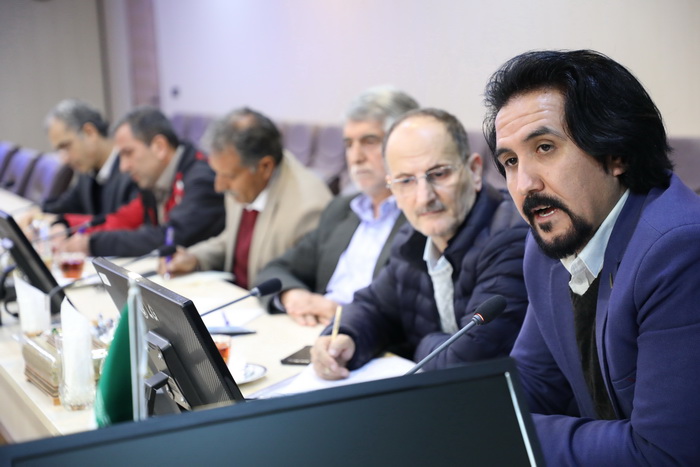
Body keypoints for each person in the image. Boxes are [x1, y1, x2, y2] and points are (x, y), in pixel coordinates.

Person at [483, 49, 700, 464]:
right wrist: (459, 415)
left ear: (616, 153)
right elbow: (535, 382)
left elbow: (664, 454)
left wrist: (499, 429)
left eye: (544, 148)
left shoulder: (679, 249)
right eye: (510, 161)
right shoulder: (549, 244)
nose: (524, 184)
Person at [311, 108, 528, 379]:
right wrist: (345, 337)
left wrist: (418, 343)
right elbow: (375, 307)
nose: (424, 197)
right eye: (406, 181)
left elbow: (469, 365)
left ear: (474, 170)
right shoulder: (413, 238)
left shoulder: (511, 238)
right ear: (392, 187)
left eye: (439, 174)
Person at [254, 86, 418, 326]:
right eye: (349, 144)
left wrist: (344, 313)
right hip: (313, 329)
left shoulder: (422, 217)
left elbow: (411, 315)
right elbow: (276, 270)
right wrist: (293, 295)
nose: (355, 157)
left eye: (369, 141)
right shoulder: (341, 210)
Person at [160, 107, 332, 289]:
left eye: (229, 176)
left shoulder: (308, 210)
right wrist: (195, 258)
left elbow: (293, 285)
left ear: (265, 167)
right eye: (217, 173)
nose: (219, 186)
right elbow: (235, 240)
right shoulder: (246, 180)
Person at [58, 106, 225, 257]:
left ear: (159, 147)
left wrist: (94, 244)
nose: (123, 167)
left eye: (128, 153)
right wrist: (66, 225)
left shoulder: (202, 180)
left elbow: (170, 237)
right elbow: (125, 219)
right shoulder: (154, 180)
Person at [20, 99, 138, 231]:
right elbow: (67, 205)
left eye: (66, 146)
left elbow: (119, 227)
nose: (64, 159)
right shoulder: (88, 170)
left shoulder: (132, 174)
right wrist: (37, 212)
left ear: (90, 132)